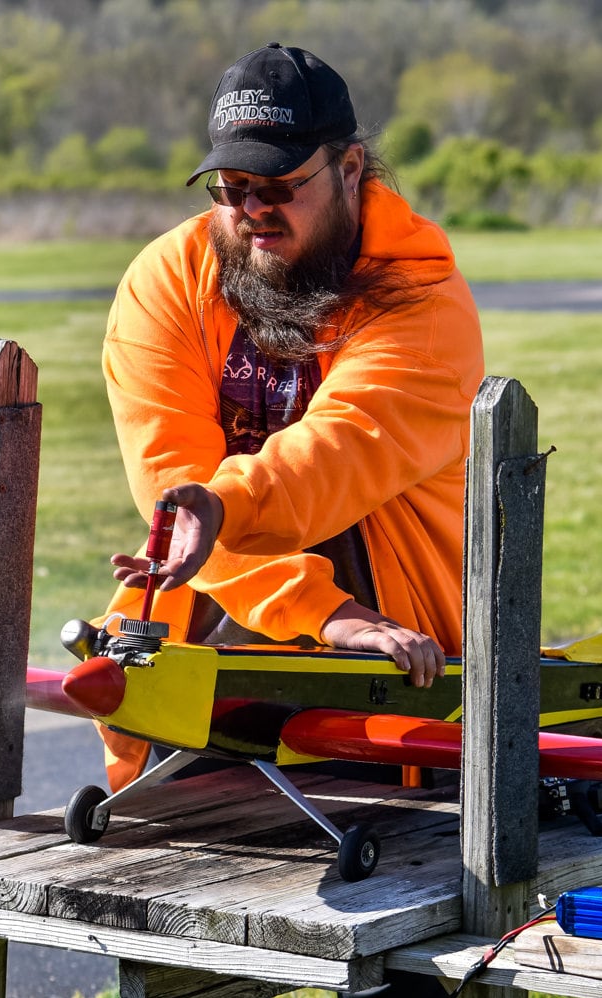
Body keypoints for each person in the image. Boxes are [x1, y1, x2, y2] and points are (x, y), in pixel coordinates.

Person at [97, 42, 484, 789]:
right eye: (230, 186)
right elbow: (176, 498)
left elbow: (341, 450)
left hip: (398, 664)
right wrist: (315, 606)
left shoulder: (425, 303)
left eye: (277, 184)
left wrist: (223, 508)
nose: (250, 211)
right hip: (226, 624)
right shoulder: (164, 283)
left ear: (349, 170)